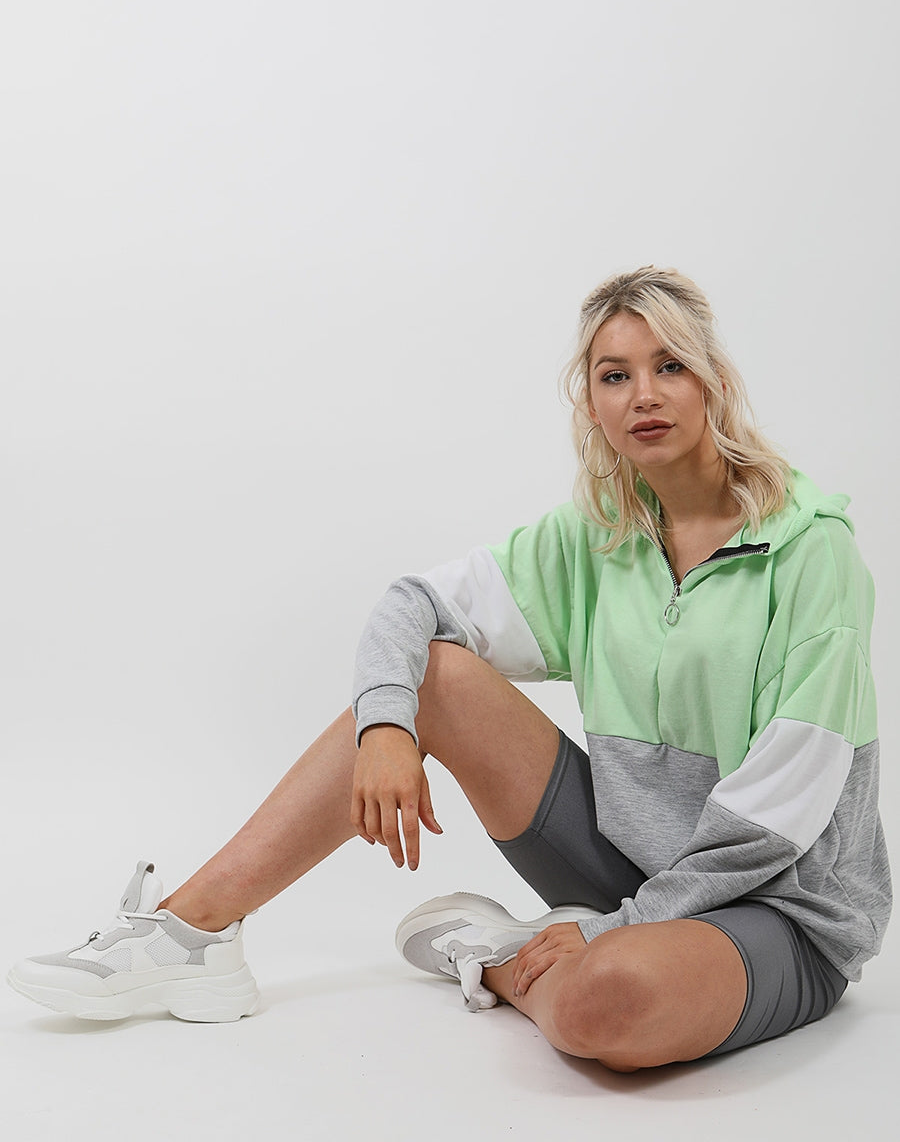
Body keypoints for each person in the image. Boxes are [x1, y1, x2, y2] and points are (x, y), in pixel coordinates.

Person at [8, 267, 890, 1071]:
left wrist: (620, 931)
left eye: (670, 367)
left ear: (714, 382)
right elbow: (413, 604)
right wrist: (388, 725)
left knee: (606, 1009)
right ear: (590, 402)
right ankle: (189, 933)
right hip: (624, 872)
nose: (644, 395)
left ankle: (496, 954)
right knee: (434, 673)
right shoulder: (596, 541)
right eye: (614, 375)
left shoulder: (810, 553)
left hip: (776, 909)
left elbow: (779, 815)